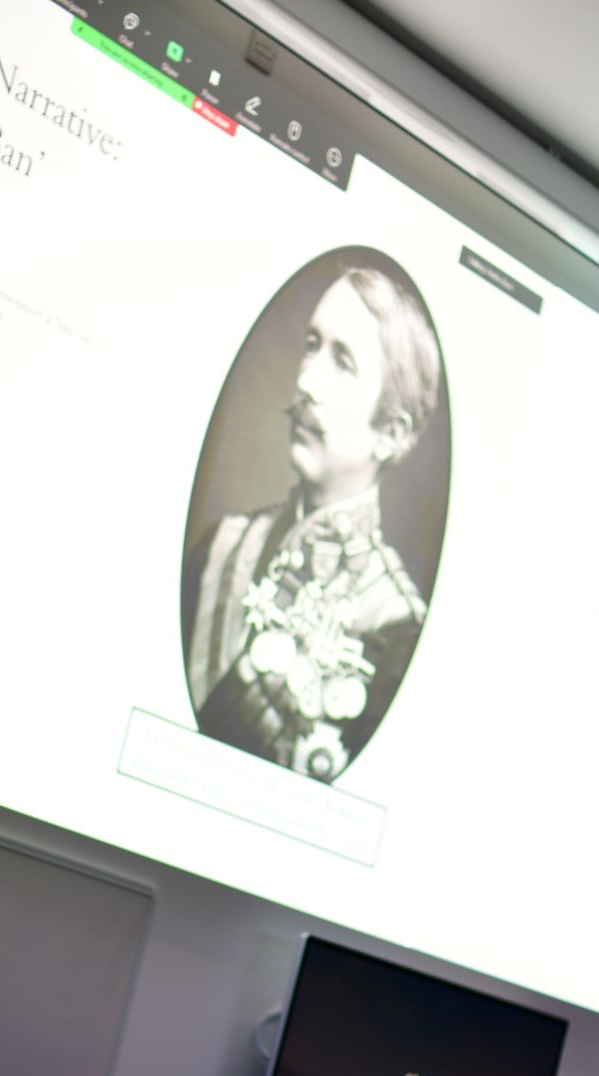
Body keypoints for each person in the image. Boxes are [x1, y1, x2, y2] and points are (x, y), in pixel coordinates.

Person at [184, 264, 444, 783]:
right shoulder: (221, 546)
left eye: (343, 362)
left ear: (391, 433)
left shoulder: (400, 630)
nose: (305, 381)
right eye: (310, 344)